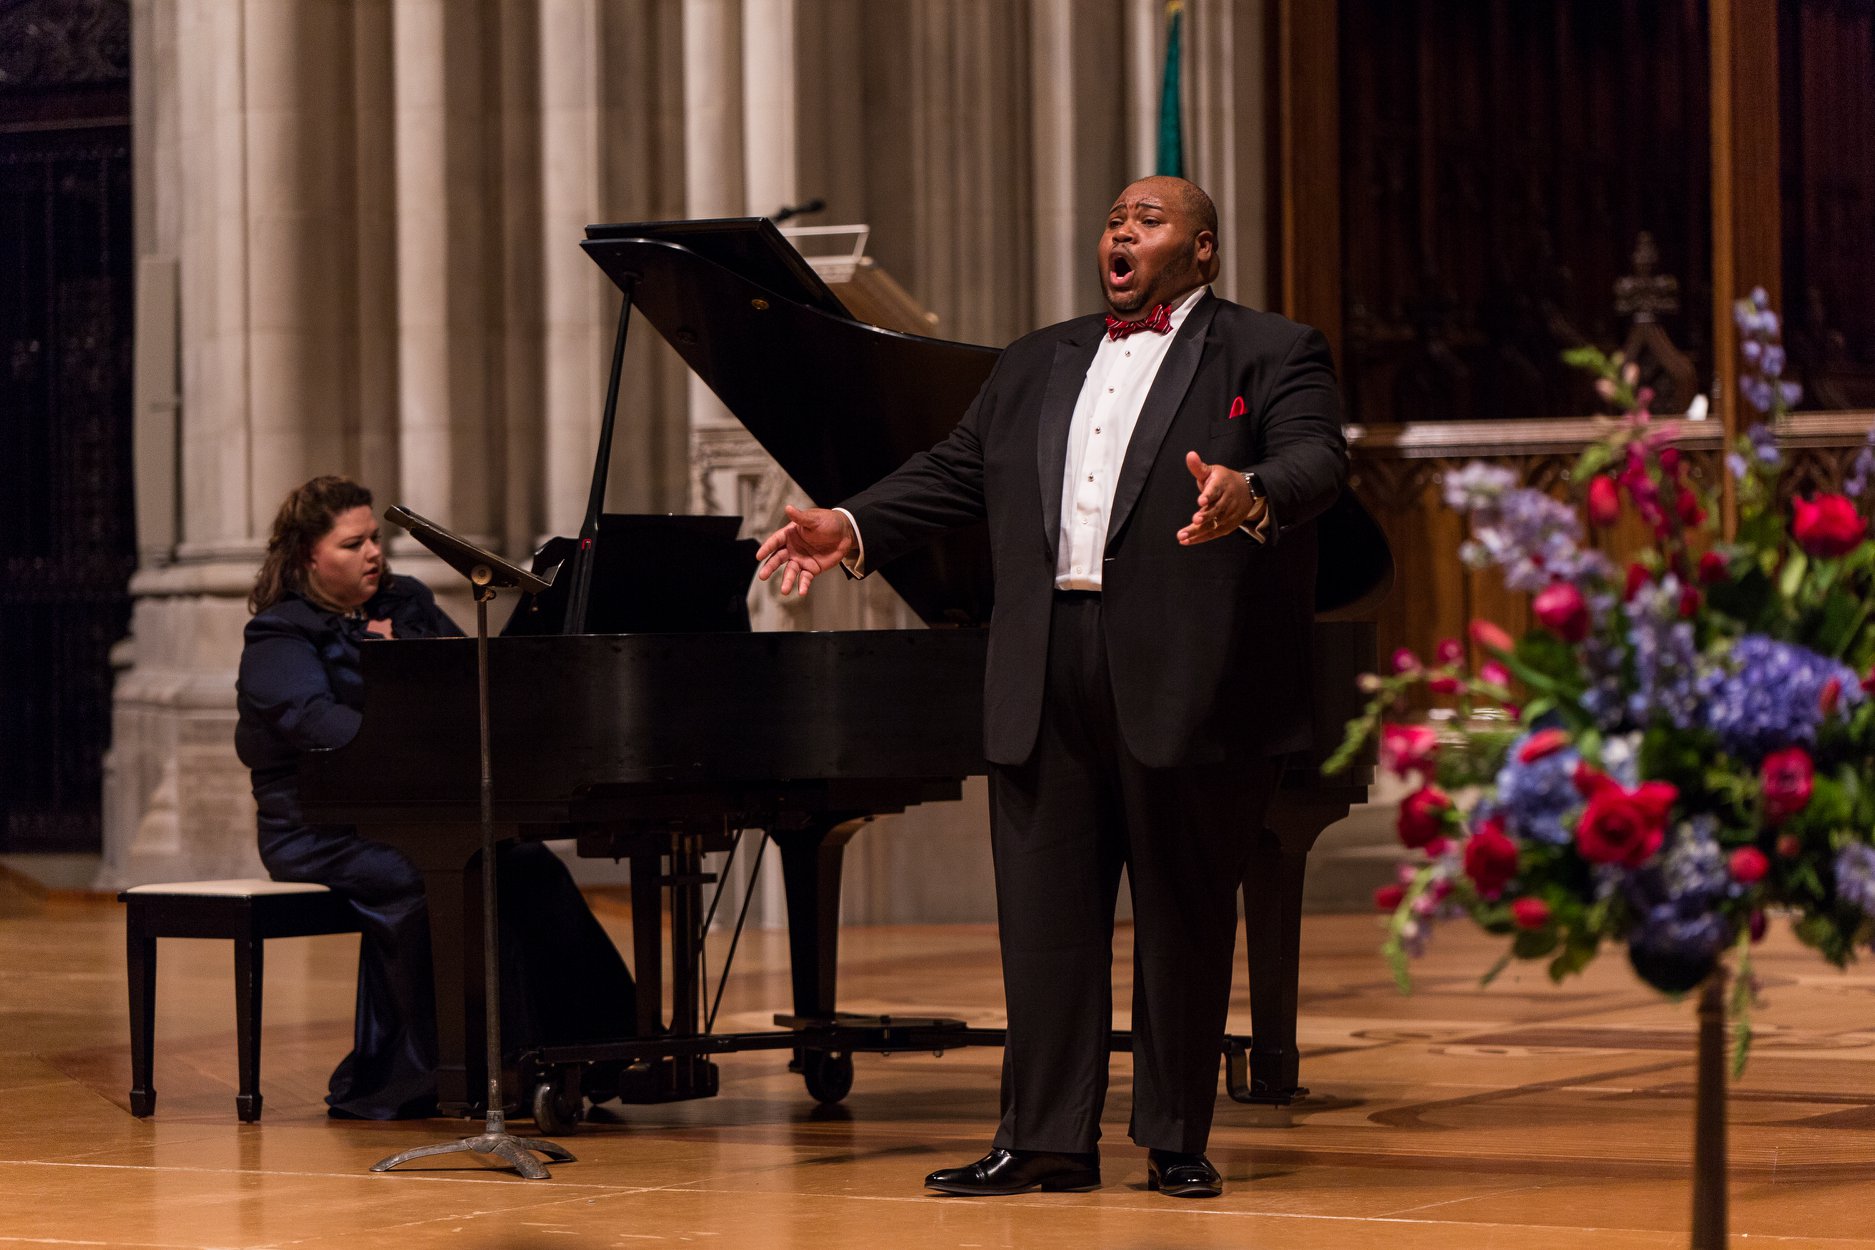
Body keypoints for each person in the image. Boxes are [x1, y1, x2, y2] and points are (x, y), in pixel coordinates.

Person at [755, 177, 1347, 1198]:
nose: (1123, 231)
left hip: (1188, 672)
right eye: (1115, 218)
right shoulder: (1037, 358)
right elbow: (955, 470)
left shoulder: (1269, 350)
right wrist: (848, 524)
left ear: (1202, 250)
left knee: (1182, 917)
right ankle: (1044, 1139)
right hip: (1042, 660)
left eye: (1148, 220)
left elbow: (1317, 460)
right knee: (1044, 918)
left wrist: (1251, 492)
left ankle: (1173, 1138)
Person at [235, 475, 635, 1119]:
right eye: (353, 544)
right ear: (308, 555)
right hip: (320, 829)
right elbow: (315, 723)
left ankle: (595, 1051)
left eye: (375, 538)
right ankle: (459, 1070)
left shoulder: (408, 601)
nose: (373, 552)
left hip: (416, 811)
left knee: (529, 866)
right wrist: (401, 700)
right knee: (435, 878)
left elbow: (468, 677)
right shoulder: (280, 635)